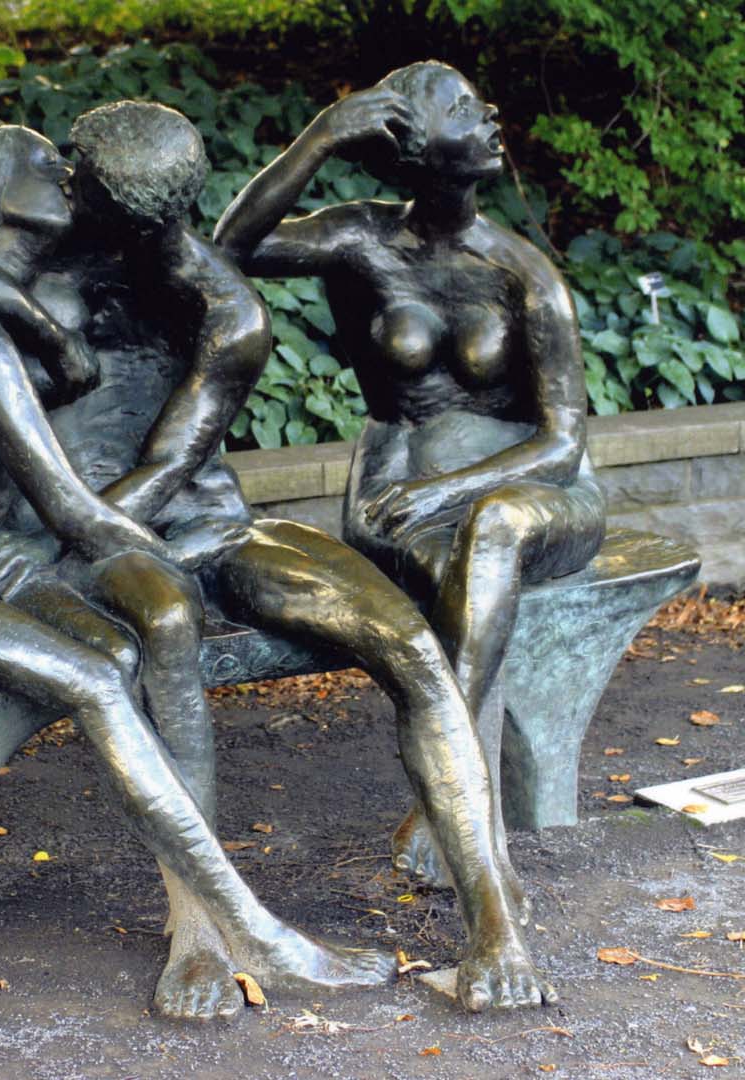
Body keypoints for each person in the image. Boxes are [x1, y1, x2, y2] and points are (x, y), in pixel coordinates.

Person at [0, 101, 556, 1011]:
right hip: (99, 548)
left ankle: (496, 926)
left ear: (96, 191)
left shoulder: (227, 310)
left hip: (196, 526)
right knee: (163, 630)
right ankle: (199, 928)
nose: (59, 183)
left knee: (412, 647)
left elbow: (172, 461)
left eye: (75, 178)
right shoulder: (27, 257)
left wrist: (55, 535)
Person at [0, 124, 393, 1022]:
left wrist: (55, 343)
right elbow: (72, 509)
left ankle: (196, 926)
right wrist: (190, 550)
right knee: (94, 675)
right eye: (41, 164)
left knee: (132, 638)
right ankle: (250, 923)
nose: (62, 169)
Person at [214, 62, 606, 888]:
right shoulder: (356, 239)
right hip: (399, 496)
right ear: (413, 145)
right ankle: (461, 796)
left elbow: (562, 442)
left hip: (534, 493)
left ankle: (444, 794)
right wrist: (320, 135)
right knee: (454, 577)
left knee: (490, 535)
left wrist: (445, 491)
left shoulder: (523, 274)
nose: (490, 112)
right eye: (464, 106)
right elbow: (227, 252)